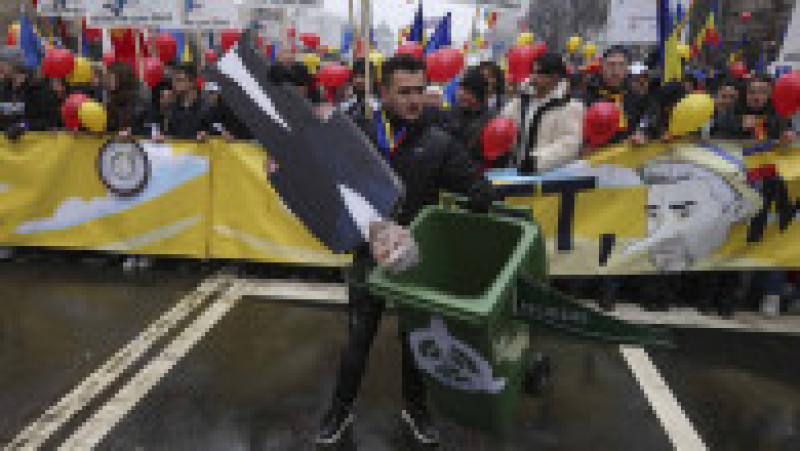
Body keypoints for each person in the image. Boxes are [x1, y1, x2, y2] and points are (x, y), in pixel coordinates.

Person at [301, 54, 496, 446]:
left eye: (419, 90)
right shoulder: (357, 131)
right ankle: (339, 408)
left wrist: (479, 196)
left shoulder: (439, 141)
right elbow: (315, 157)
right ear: (384, 91)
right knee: (359, 337)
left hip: (414, 259)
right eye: (403, 91)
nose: (413, 99)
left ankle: (416, 408)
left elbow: (477, 186)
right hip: (366, 254)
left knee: (415, 339)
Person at [501, 52, 584, 174]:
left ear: (554, 77)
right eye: (533, 72)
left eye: (540, 73)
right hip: (515, 173)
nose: (534, 77)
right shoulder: (520, 102)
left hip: (550, 178)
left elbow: (569, 144)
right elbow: (503, 125)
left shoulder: (570, 107)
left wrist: (536, 161)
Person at [584, 46, 647, 145]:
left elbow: (646, 119)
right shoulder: (587, 95)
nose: (616, 71)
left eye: (621, 65)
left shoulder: (635, 95)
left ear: (627, 68)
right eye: (611, 64)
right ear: (602, 66)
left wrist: (643, 133)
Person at [441, 67, 492, 167]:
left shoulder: (489, 121)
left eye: (467, 91)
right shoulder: (451, 113)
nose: (461, 94)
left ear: (478, 95)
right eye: (460, 89)